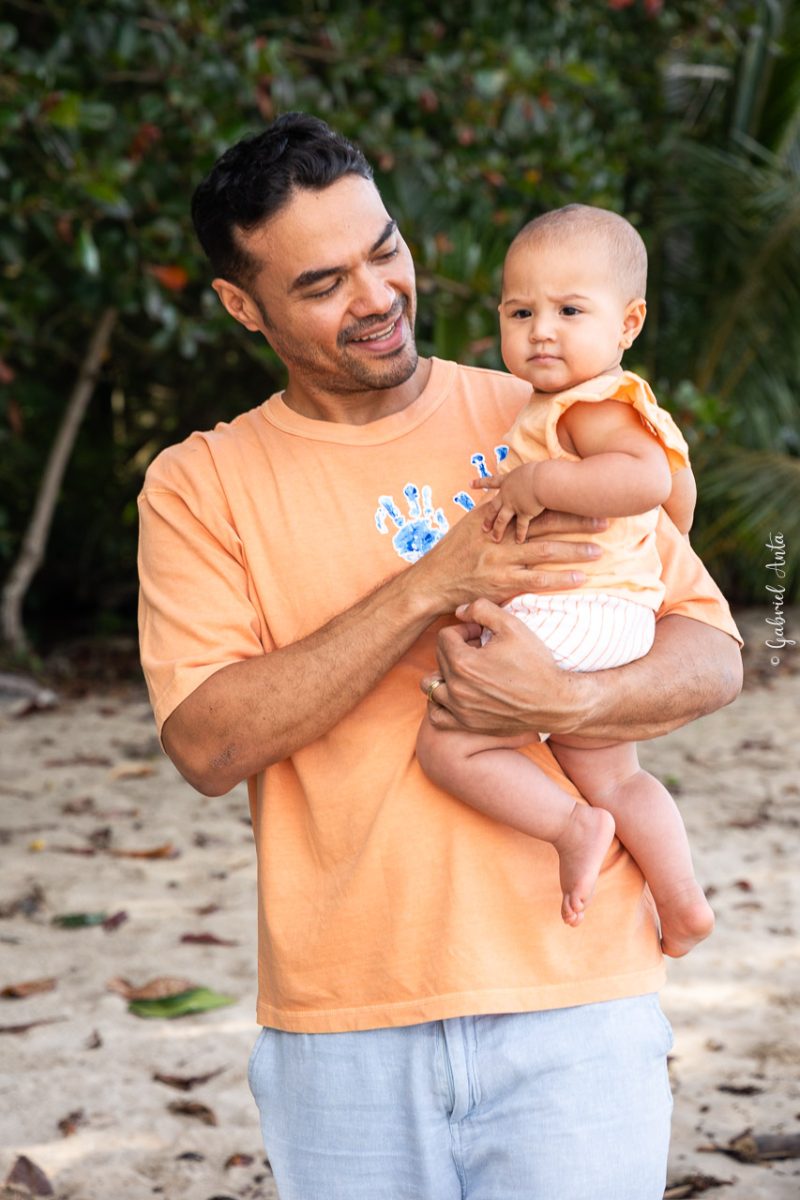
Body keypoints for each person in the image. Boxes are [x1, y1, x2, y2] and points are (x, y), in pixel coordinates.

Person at [137, 113, 742, 1200]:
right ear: (242, 305)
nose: (375, 297)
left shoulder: (546, 410)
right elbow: (210, 743)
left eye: (384, 252)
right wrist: (433, 581)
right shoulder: (198, 484)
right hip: (343, 1021)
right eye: (322, 283)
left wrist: (569, 695)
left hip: (575, 999)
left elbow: (711, 655)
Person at [416, 204, 715, 955]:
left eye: (569, 310)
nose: (541, 329)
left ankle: (568, 825)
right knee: (614, 774)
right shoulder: (616, 403)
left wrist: (544, 481)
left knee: (450, 746)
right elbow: (681, 500)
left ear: (628, 322)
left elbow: (646, 481)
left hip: (576, 611)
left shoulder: (590, 405)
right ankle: (681, 902)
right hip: (615, 613)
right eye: (522, 311)